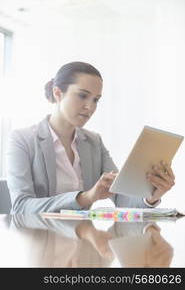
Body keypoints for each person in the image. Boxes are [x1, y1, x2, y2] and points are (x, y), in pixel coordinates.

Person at [6, 61, 175, 213]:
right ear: (58, 93)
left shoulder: (94, 142)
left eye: (96, 100)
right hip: (39, 240)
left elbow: (121, 198)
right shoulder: (22, 139)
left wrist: (151, 196)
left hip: (83, 239)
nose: (90, 107)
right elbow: (21, 206)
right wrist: (87, 197)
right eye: (82, 95)